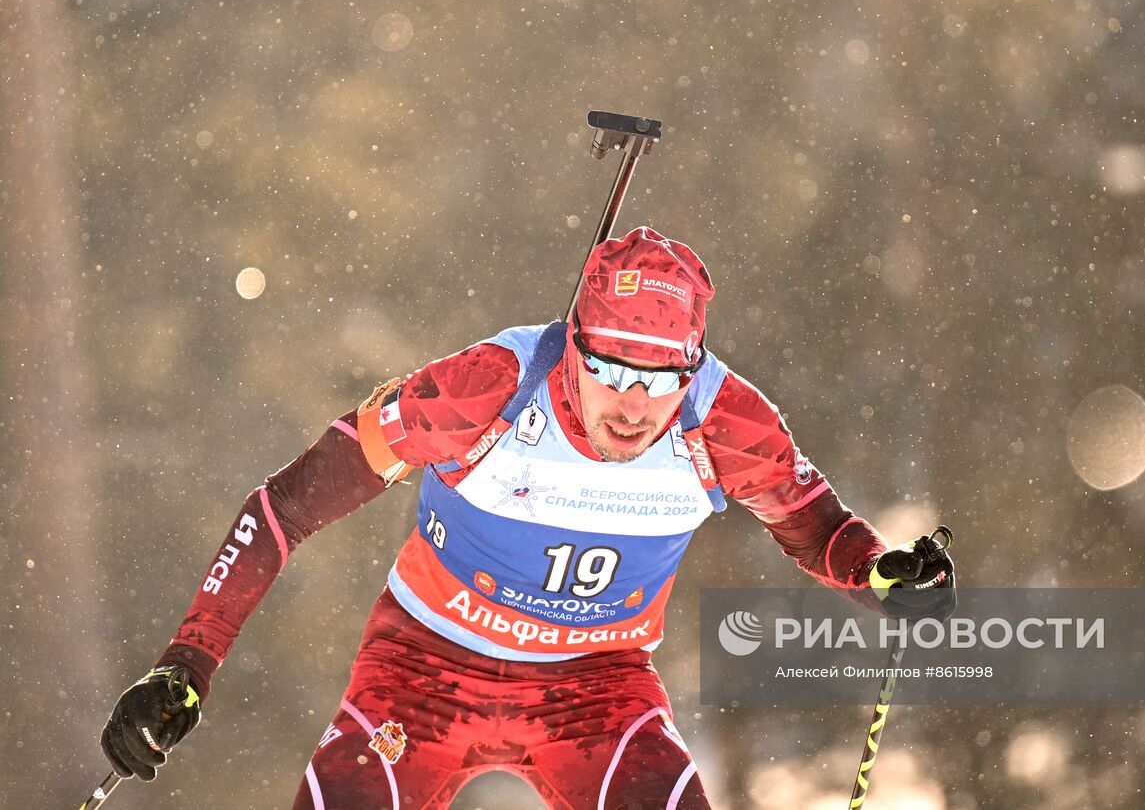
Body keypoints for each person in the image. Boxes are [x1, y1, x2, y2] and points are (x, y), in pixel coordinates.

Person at [100, 226, 955, 809]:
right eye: (611, 370)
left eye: (662, 381)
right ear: (574, 343)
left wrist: (888, 578)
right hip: (423, 675)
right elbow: (283, 510)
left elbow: (819, 531)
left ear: (692, 368)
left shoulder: (724, 420)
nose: (633, 407)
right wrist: (186, 667)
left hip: (596, 691)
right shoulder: (483, 390)